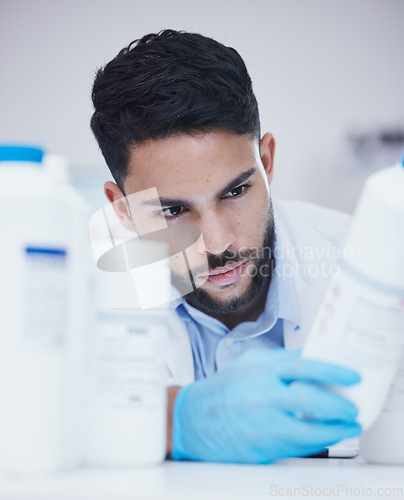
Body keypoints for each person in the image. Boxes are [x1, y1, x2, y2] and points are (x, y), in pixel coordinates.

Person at [90, 29, 362, 464]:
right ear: (121, 209)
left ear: (267, 162)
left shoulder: (375, 265)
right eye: (173, 212)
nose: (217, 243)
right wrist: (177, 419)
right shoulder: (75, 294)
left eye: (235, 193)